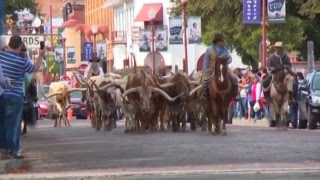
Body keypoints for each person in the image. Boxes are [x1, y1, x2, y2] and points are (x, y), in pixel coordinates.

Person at [0, 35, 44, 159]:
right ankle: (13, 150)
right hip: (15, 95)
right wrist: (41, 54)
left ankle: (3, 150)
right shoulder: (22, 61)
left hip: (2, 93)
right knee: (13, 124)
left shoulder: (1, 55)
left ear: (9, 45)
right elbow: (34, 69)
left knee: (3, 123)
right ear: (20, 46)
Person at [202, 34, 238, 101]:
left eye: (222, 41)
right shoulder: (209, 49)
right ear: (217, 41)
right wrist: (205, 71)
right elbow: (206, 61)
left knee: (233, 77)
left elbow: (230, 58)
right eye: (221, 41)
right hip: (212, 68)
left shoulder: (225, 49)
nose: (222, 43)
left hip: (224, 67)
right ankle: (205, 94)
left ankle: (235, 93)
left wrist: (227, 61)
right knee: (204, 79)